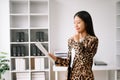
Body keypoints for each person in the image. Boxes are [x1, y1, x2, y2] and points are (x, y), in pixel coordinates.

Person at [49, 11, 99, 80]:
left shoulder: (92, 40)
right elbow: (69, 62)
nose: (76, 25)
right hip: (71, 77)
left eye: (78, 22)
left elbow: (84, 61)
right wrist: (56, 59)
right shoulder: (71, 40)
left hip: (85, 77)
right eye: (74, 23)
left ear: (86, 23)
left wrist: (77, 42)